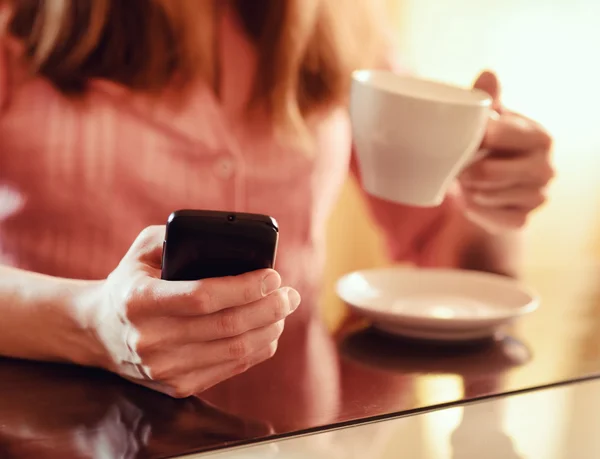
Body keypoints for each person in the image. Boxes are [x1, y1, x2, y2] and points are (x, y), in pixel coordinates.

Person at [0, 0, 553, 398]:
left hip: (293, 429)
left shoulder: (344, 19)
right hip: (56, 424)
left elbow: (448, 241)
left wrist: (493, 193)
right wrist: (90, 321)